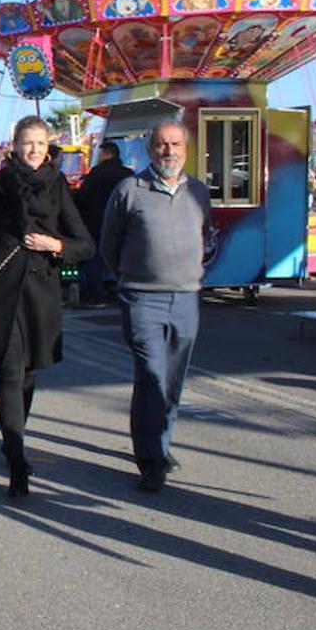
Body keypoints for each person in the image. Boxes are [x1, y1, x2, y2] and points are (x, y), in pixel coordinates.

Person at [0, 117, 93, 496]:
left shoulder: (58, 185)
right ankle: (17, 461)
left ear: (48, 147)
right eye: (27, 142)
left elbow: (86, 244)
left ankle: (12, 439)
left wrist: (57, 246)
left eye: (40, 143)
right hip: (3, 294)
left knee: (30, 374)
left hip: (42, 295)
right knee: (10, 372)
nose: (33, 150)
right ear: (14, 145)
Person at [101, 120, 212, 492]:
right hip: (142, 299)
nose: (169, 151)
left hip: (186, 298)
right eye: (162, 144)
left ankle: (161, 446)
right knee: (151, 376)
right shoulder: (129, 191)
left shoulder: (199, 192)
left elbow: (205, 237)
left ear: (186, 149)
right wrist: (130, 278)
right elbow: (109, 244)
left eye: (176, 144)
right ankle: (150, 460)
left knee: (173, 381)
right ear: (150, 149)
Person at [73, 141, 133, 306]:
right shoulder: (127, 175)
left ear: (106, 154)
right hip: (122, 223)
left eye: (99, 154)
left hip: (96, 222)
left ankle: (95, 293)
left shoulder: (96, 173)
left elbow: (83, 197)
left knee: (94, 259)